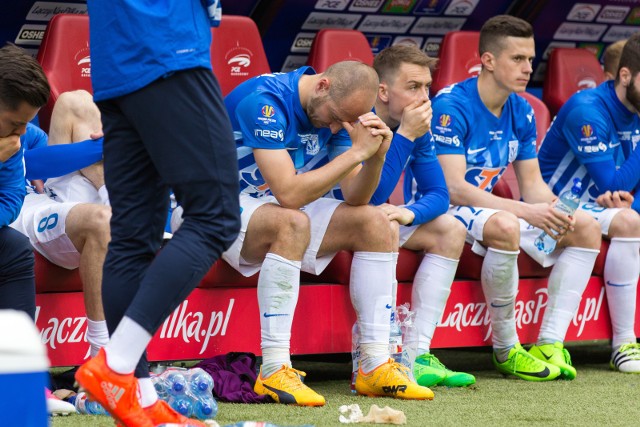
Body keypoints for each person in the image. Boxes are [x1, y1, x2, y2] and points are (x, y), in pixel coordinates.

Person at [222, 60, 434, 404]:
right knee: (292, 221)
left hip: (270, 206)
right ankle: (274, 370)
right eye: (335, 117)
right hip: (215, 203)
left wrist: (376, 156)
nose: (336, 128)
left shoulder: (336, 114)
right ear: (322, 85)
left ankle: (374, 365)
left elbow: (357, 197)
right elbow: (289, 194)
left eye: (344, 122)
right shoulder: (263, 100)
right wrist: (354, 152)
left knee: (376, 221)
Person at [76, 2, 242, 427]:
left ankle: (141, 398)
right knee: (216, 217)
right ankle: (115, 365)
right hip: (168, 51)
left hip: (118, 68)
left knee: (131, 238)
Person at [431, 15, 602, 381]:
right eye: (518, 59)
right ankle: (507, 349)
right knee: (507, 224)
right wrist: (529, 211)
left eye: (531, 59)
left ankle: (550, 341)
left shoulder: (522, 109)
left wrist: (559, 210)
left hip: (487, 210)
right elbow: (454, 188)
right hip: (442, 209)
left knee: (584, 227)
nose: (528, 69)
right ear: (488, 61)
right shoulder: (452, 105)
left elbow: (533, 185)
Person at [325, 45, 474, 387]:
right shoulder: (356, 119)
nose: (424, 97)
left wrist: (408, 212)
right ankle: (381, 355)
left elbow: (440, 194)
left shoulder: (415, 127)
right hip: (338, 221)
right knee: (380, 219)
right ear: (383, 91)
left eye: (427, 87)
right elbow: (368, 198)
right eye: (413, 87)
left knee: (450, 229)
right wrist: (404, 135)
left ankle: (417, 354)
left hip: (377, 220)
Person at [538, 32, 640, 374]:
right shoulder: (588, 109)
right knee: (628, 222)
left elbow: (622, 192)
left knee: (629, 217)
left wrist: (632, 202)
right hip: (556, 205)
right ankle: (625, 342)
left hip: (603, 208)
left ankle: (625, 342)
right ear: (624, 76)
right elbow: (611, 184)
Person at [11, 89, 110, 360]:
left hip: (51, 197)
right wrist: (115, 143)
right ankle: (101, 353)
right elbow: (31, 164)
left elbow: (50, 157)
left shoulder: (17, 123)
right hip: (23, 211)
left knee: (75, 100)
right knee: (102, 221)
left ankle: (115, 197)